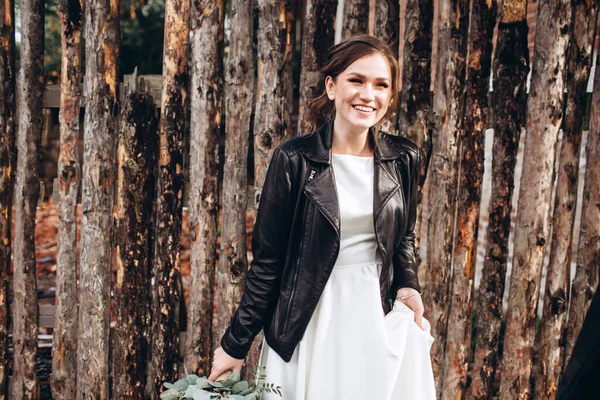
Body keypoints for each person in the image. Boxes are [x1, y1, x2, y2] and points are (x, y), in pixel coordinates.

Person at [209, 34, 436, 399]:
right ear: (332, 86)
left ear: (390, 97)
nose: (368, 94)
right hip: (307, 321)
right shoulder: (293, 160)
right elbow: (269, 263)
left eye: (381, 85)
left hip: (372, 316)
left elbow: (403, 235)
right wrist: (235, 345)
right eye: (357, 80)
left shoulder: (404, 159)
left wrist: (408, 283)